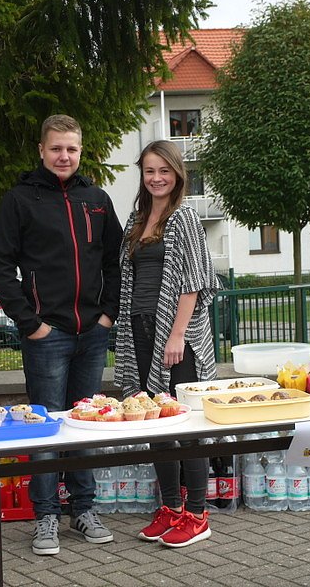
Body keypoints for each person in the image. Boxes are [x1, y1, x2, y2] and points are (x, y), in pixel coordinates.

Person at [0, 114, 123, 556]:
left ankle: (84, 509)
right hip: (48, 336)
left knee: (83, 425)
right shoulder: (19, 200)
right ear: (41, 151)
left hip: (93, 333)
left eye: (71, 149)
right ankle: (45, 516)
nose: (64, 156)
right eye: (56, 148)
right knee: (45, 428)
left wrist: (108, 315)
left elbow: (114, 262)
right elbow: (0, 267)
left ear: (81, 151)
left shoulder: (96, 199)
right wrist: (31, 324)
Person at [114, 140, 221, 548]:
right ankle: (171, 508)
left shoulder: (185, 217)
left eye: (164, 171)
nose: (156, 178)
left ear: (177, 174)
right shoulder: (137, 218)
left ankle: (197, 514)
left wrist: (177, 335)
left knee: (187, 426)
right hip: (140, 330)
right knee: (156, 423)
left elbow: (194, 282)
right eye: (149, 171)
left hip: (178, 336)